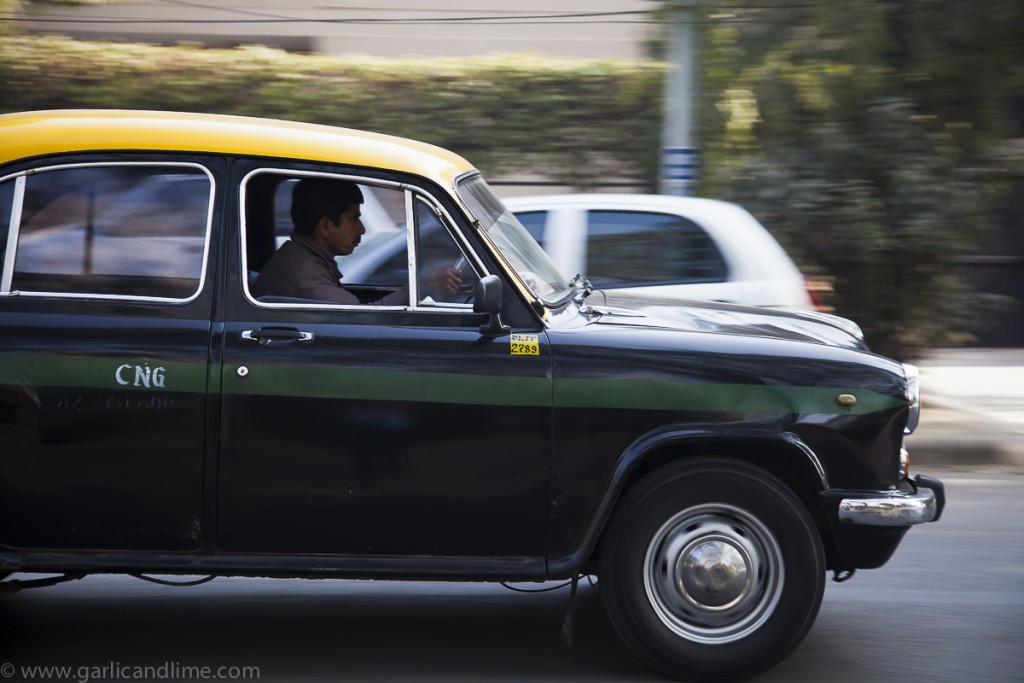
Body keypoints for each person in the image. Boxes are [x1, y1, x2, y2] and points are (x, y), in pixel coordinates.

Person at [251, 178, 461, 305]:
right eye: (353, 219)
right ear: (325, 227)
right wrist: (423, 285)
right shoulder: (304, 272)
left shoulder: (300, 257)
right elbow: (362, 318)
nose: (362, 228)